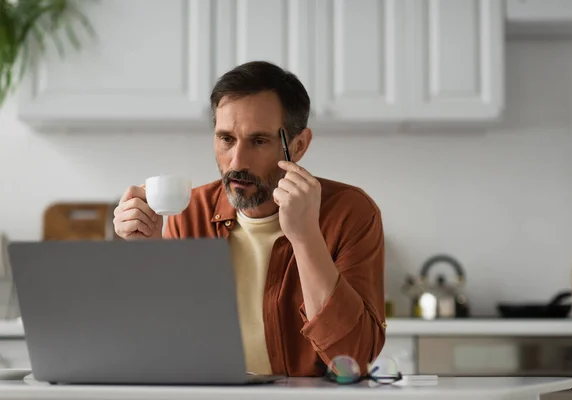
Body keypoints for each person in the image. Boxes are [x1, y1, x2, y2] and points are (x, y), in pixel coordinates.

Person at [113, 61, 387, 377]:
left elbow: (355, 358)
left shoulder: (351, 213)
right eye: (226, 139)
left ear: (297, 146)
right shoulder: (190, 214)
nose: (237, 162)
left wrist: (306, 236)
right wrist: (143, 256)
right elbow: (158, 350)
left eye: (259, 141)